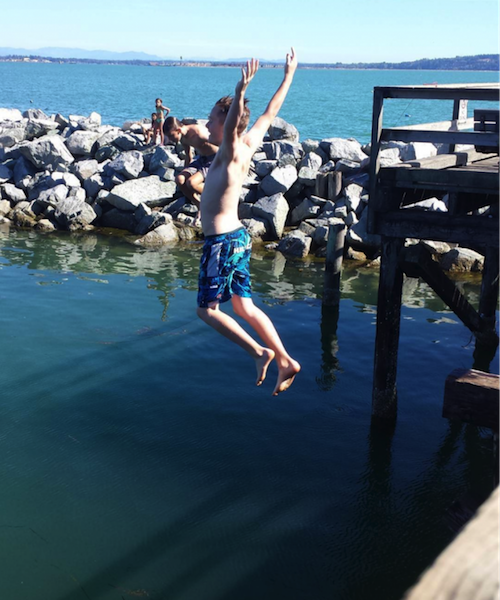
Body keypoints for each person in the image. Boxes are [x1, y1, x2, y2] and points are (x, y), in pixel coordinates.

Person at [196, 48, 301, 396]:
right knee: (244, 306)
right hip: (238, 238)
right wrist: (288, 76)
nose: (207, 124)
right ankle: (286, 359)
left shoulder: (229, 150)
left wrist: (240, 92)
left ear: (226, 123)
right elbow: (271, 112)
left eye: (212, 119)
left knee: (206, 311)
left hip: (221, 242)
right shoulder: (249, 143)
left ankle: (260, 352)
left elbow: (231, 124)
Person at [164, 116, 219, 220]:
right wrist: (186, 171)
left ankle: (216, 195)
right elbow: (188, 155)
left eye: (171, 136)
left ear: (179, 130)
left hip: (214, 160)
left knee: (192, 183)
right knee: (179, 179)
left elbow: (222, 144)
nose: (170, 140)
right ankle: (200, 205)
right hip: (201, 159)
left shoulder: (199, 133)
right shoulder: (183, 138)